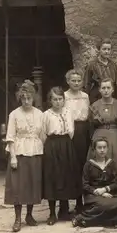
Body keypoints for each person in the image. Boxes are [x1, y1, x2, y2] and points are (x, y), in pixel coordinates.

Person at [4, 80, 44, 232]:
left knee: (32, 184)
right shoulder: (14, 114)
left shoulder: (40, 114)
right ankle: (17, 218)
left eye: (29, 98)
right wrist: (13, 157)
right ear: (19, 98)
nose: (26, 101)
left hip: (35, 151)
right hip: (19, 152)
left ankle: (29, 215)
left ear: (33, 98)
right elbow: (10, 136)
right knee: (18, 186)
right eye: (23, 98)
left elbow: (43, 135)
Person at [41, 87, 82, 225]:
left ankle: (64, 211)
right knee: (52, 176)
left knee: (66, 176)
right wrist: (49, 147)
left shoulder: (68, 112)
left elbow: (71, 131)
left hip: (66, 144)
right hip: (52, 145)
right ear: (50, 100)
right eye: (55, 99)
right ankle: (52, 213)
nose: (58, 102)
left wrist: (65, 144)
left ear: (64, 100)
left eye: (60, 99)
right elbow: (43, 133)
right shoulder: (46, 114)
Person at [72, 138, 117, 228]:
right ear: (94, 149)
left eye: (104, 147)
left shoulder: (111, 163)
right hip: (92, 194)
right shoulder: (89, 165)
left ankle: (91, 221)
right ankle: (81, 218)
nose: (102, 150)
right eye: (99, 147)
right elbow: (85, 184)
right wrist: (98, 192)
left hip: (109, 192)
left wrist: (105, 189)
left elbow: (116, 182)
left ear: (107, 149)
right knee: (104, 205)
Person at [64, 69, 91, 214]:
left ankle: (82, 202)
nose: (76, 83)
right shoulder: (64, 96)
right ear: (68, 81)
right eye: (73, 80)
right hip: (70, 131)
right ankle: (66, 202)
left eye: (78, 80)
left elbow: (87, 115)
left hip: (83, 131)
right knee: (70, 166)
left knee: (82, 165)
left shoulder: (85, 96)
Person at [87, 78, 117, 166]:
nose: (106, 90)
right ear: (99, 90)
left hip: (115, 135)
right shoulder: (94, 105)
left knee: (116, 159)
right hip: (99, 134)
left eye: (108, 88)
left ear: (112, 89)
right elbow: (90, 125)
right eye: (103, 88)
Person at [84, 38, 117, 104]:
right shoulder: (92, 65)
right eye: (104, 49)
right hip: (97, 97)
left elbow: (116, 83)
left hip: (111, 97)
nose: (106, 51)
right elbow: (87, 83)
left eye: (108, 49)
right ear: (99, 50)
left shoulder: (113, 65)